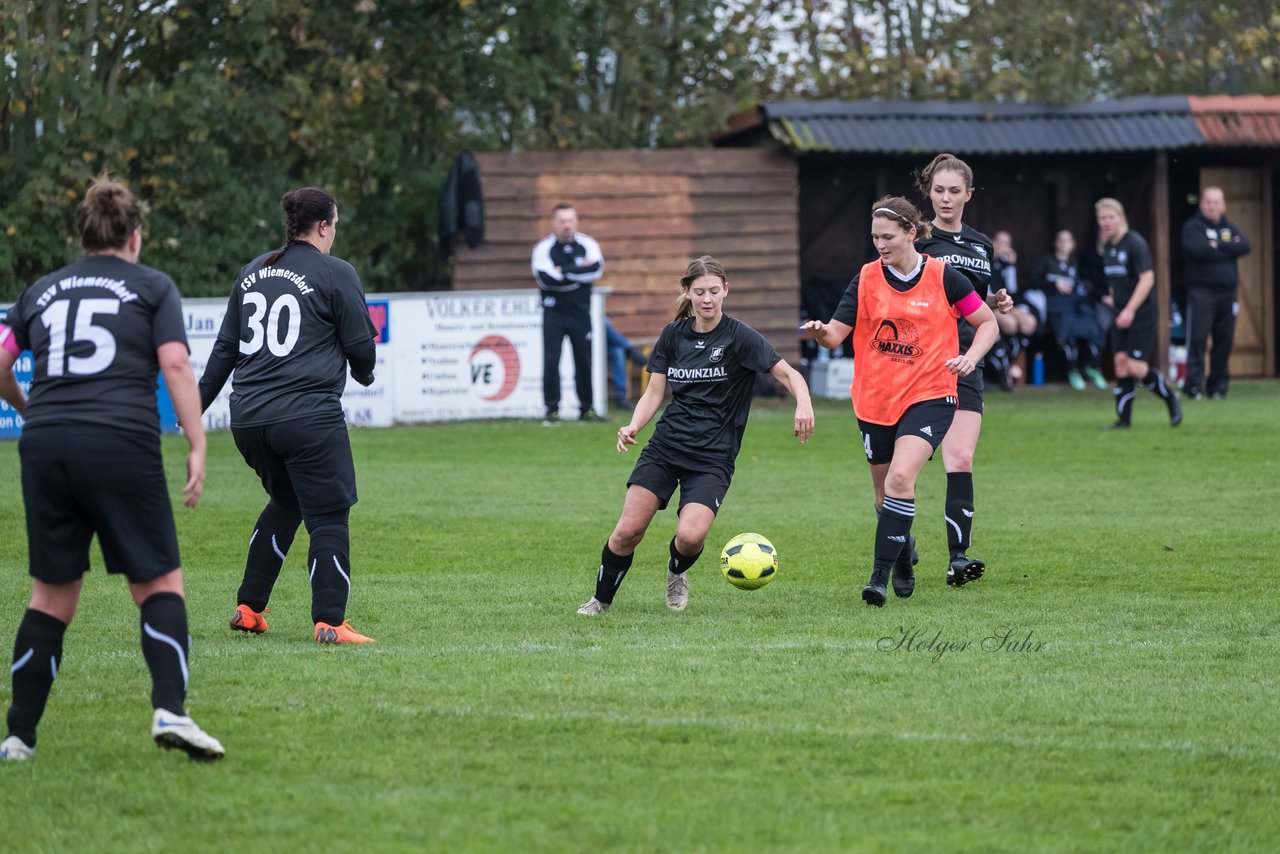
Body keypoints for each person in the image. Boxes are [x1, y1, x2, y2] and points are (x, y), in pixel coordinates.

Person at [0, 175, 223, 761]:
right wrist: (197, 443)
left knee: (50, 598)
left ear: (85, 234)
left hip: (46, 446)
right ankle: (171, 711)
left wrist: (30, 410)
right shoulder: (152, 286)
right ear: (135, 235)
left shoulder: (42, 291)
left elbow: (1, 362)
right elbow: (174, 362)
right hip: (120, 443)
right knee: (157, 585)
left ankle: (18, 738)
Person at [577, 255, 814, 616]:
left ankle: (676, 573)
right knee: (627, 531)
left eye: (714, 292)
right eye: (700, 291)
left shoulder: (739, 336)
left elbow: (788, 374)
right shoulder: (673, 335)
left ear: (725, 291)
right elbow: (654, 393)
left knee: (690, 537)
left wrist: (804, 404)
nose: (707, 299)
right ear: (687, 292)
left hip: (713, 456)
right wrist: (633, 426)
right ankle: (600, 601)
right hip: (666, 447)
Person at [199, 187, 378, 644]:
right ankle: (331, 621)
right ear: (322, 226)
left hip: (249, 418)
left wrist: (196, 403)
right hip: (307, 417)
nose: (335, 233)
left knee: (287, 503)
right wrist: (364, 372)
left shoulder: (253, 271)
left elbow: (225, 347)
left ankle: (249, 607)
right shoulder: (336, 273)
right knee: (330, 515)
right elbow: (360, 347)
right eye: (334, 225)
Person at [803, 197, 998, 607]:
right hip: (875, 399)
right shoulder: (866, 278)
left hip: (931, 395)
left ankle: (878, 578)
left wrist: (970, 358)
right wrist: (820, 331)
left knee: (899, 480)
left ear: (912, 233)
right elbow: (837, 335)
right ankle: (904, 552)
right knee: (883, 496)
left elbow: (987, 322)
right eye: (875, 237)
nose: (880, 244)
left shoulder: (945, 277)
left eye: (887, 236)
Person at [912, 153, 1012, 588]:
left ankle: (958, 558)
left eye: (955, 191)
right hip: (917, 365)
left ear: (969, 194)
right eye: (939, 190)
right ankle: (898, 543)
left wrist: (993, 305)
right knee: (903, 469)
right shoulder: (915, 241)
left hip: (966, 361)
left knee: (961, 457)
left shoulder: (981, 244)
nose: (946, 198)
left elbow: (968, 304)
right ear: (929, 193)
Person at [1095, 198, 1182, 429]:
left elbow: (1147, 278)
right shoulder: (1109, 247)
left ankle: (1171, 398)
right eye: (1102, 218)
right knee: (1120, 364)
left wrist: (1130, 310)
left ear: (1121, 217)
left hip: (1140, 313)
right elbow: (1115, 281)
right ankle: (1123, 420)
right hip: (1120, 312)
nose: (1106, 222)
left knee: (1134, 366)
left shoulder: (1135, 243)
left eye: (1110, 217)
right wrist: (1115, 301)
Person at [531, 204, 605, 423]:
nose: (566, 225)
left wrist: (563, 271)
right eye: (562, 221)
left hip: (580, 313)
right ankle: (552, 410)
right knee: (551, 360)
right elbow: (546, 279)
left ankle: (587, 409)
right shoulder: (543, 248)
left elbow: (596, 270)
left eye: (570, 220)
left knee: (583, 360)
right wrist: (576, 273)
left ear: (576, 222)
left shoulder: (588, 244)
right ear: (554, 223)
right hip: (553, 313)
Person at [1180, 186, 1251, 400]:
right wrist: (1227, 248)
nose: (1212, 206)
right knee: (1198, 338)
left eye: (1216, 202)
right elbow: (1198, 250)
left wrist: (1217, 245)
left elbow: (1245, 246)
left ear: (1223, 205)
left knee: (1224, 340)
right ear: (1202, 204)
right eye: (1208, 202)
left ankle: (1218, 387)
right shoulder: (1192, 227)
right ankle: (1193, 386)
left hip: (1227, 294)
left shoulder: (1230, 227)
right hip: (1201, 292)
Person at [1029, 229, 1108, 391]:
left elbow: (1087, 285)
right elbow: (1033, 281)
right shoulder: (1046, 260)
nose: (1064, 243)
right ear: (1055, 243)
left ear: (1073, 245)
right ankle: (1072, 371)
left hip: (1076, 304)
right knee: (1067, 332)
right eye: (1061, 240)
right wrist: (1054, 284)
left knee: (1094, 326)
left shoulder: (1077, 262)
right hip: (1056, 306)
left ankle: (1092, 367)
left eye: (1068, 240)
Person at [991, 230, 1041, 386]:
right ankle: (1005, 365)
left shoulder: (1007, 265)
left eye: (1005, 243)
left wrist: (1011, 265)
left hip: (1007, 302)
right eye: (998, 241)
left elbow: (1012, 289)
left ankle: (1011, 361)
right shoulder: (985, 260)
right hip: (990, 303)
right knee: (1011, 324)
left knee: (1029, 323)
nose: (1001, 246)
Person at [605, 318, 647, 410]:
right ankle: (629, 349)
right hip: (589, 340)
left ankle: (620, 397)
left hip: (606, 343)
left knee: (618, 351)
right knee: (602, 323)